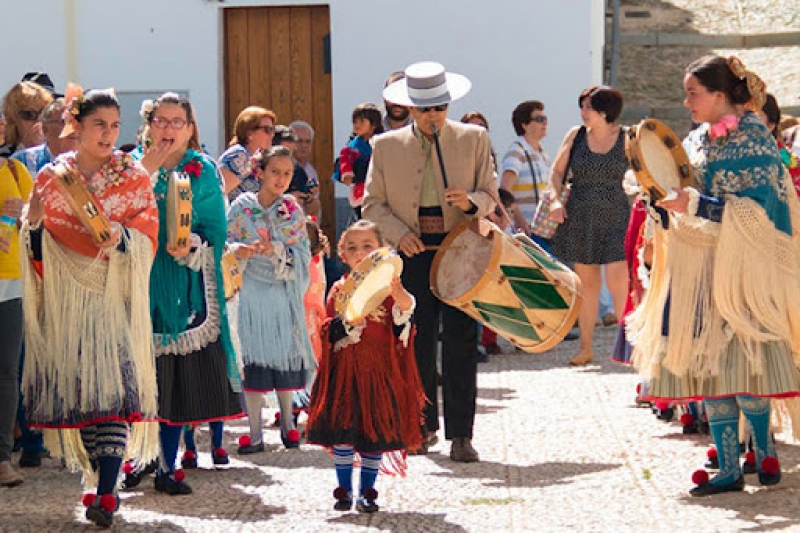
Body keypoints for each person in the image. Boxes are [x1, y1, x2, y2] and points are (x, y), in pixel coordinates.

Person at [627, 55, 800, 496]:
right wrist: (663, 204)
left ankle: (762, 453)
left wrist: (698, 205)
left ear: (720, 95)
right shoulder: (698, 137)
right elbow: (686, 181)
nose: (687, 102)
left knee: (747, 359)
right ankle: (729, 463)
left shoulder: (756, 138)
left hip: (745, 273)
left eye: (693, 93)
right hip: (701, 265)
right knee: (709, 361)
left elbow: (760, 213)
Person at [20, 86, 160, 527]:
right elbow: (36, 243)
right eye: (99, 124)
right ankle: (101, 480)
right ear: (75, 127)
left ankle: (106, 491)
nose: (108, 133)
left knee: (115, 394)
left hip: (114, 296)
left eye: (115, 125)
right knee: (85, 398)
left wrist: (123, 238)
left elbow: (149, 234)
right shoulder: (52, 178)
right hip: (70, 302)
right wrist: (36, 222)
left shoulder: (133, 177)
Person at [363, 61, 497, 462]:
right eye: (425, 109)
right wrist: (397, 233)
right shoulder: (385, 146)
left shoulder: (474, 138)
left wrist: (472, 202)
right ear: (410, 109)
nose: (433, 116)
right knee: (416, 342)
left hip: (459, 249)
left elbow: (491, 195)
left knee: (460, 341)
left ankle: (461, 434)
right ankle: (421, 427)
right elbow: (372, 203)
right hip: (412, 251)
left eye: (439, 107)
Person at [129, 93, 244, 495]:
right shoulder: (131, 167)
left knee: (173, 379)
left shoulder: (203, 172)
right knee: (137, 376)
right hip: (137, 280)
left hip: (182, 283)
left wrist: (193, 244)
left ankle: (167, 461)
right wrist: (147, 169)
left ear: (191, 129)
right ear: (148, 125)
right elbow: (117, 210)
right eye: (160, 121)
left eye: (177, 121)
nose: (168, 129)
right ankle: (135, 456)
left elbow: (217, 228)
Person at [306, 219, 423, 513]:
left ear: (380, 251)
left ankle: (368, 491)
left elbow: (404, 323)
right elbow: (327, 328)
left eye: (367, 246)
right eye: (353, 248)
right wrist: (344, 327)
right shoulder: (338, 290)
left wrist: (402, 301)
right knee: (343, 434)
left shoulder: (389, 290)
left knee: (374, 436)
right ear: (342, 255)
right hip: (345, 374)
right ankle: (344, 489)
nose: (360, 253)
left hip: (377, 374)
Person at [227, 146, 314, 453]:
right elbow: (226, 241)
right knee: (252, 357)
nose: (281, 179)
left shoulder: (292, 210)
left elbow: (303, 251)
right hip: (250, 288)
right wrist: (240, 249)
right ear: (259, 172)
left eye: (287, 173)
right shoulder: (240, 206)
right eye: (275, 172)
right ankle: (254, 430)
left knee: (285, 354)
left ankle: (290, 425)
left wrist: (278, 249)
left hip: (280, 290)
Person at [7, 97, 77, 470]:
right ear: (44, 128)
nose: (66, 130)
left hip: (71, 271)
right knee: (25, 355)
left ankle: (67, 436)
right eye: (57, 122)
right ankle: (32, 438)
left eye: (71, 122)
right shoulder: (22, 164)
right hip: (27, 272)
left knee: (66, 354)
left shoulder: (88, 167)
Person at [548, 86, 630, 366]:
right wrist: (555, 201)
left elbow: (644, 173)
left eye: (588, 108)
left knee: (619, 282)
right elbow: (557, 172)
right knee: (586, 285)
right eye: (582, 107)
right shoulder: (576, 136)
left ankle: (630, 347)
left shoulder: (628, 138)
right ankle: (586, 347)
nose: (583, 113)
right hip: (581, 213)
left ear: (605, 111)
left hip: (617, 212)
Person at [0, 137, 33, 488]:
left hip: (9, 281)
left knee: (7, 372)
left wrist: (22, 216)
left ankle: (2, 458)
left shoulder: (15, 170)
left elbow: (38, 223)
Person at [500, 101, 550, 240]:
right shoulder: (517, 151)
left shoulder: (543, 154)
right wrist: (519, 221)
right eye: (539, 119)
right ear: (525, 125)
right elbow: (505, 191)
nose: (545, 124)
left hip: (542, 232)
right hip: (525, 232)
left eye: (545, 119)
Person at [335, 103, 384, 220]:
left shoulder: (383, 142)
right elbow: (345, 159)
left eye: (362, 122)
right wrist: (347, 172)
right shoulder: (352, 145)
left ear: (374, 124)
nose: (357, 125)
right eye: (355, 122)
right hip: (361, 189)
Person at [219, 106, 277, 201]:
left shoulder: (254, 157)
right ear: (249, 133)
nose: (272, 134)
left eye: (272, 129)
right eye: (267, 130)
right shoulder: (239, 156)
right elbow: (219, 192)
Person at [12, 98, 78, 175]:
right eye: (65, 121)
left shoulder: (92, 162)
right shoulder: (21, 162)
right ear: (45, 129)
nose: (73, 128)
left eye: (78, 121)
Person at [0, 81, 53, 157]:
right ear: (13, 120)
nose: (39, 120)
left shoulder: (60, 150)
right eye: (29, 114)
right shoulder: (3, 156)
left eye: (44, 112)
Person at [289, 120, 321, 219]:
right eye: (299, 141)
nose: (304, 145)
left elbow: (314, 211)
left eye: (307, 141)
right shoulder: (280, 167)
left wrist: (310, 199)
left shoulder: (311, 171)